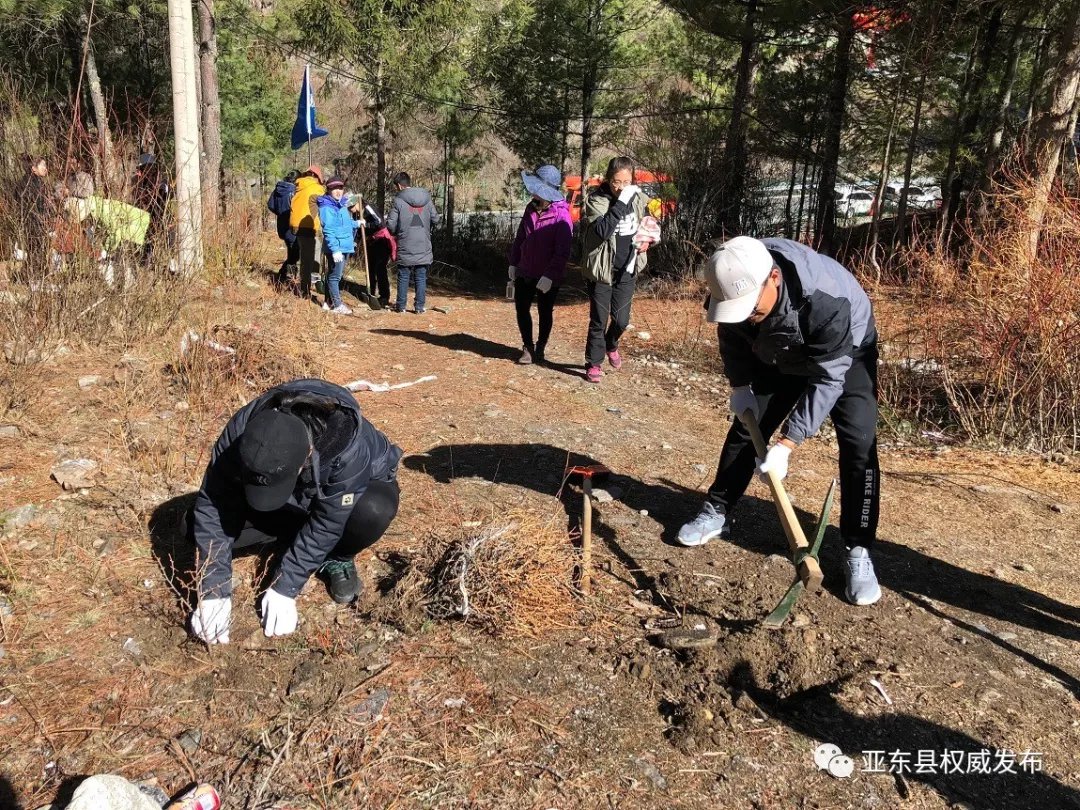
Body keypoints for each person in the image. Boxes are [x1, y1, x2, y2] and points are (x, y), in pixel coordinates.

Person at [676, 236, 882, 606]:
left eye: (750, 309)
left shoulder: (826, 301)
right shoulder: (733, 282)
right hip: (781, 347)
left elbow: (828, 379)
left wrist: (788, 443)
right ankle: (717, 511)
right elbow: (733, 336)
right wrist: (740, 386)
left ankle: (858, 548)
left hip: (845, 352)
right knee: (748, 423)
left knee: (860, 443)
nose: (745, 315)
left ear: (773, 277)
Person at [187, 379, 403, 643]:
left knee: (372, 511)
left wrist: (285, 588)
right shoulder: (244, 427)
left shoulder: (346, 445)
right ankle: (294, 535)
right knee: (193, 525)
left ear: (306, 456)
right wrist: (214, 591)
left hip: (361, 487)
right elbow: (214, 501)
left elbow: (328, 522)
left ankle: (337, 557)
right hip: (295, 494)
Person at [581, 156, 654, 383]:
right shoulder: (597, 200)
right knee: (598, 320)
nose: (621, 187)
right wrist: (622, 201)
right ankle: (593, 363)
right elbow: (602, 230)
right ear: (608, 179)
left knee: (621, 320)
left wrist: (648, 240)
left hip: (627, 268)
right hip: (602, 270)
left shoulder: (640, 198)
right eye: (616, 182)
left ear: (632, 180)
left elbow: (650, 224)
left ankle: (611, 344)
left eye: (626, 182)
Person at [507, 164, 572, 365]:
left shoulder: (562, 215)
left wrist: (550, 275)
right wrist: (513, 263)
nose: (532, 192)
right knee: (521, 307)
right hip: (525, 269)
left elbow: (562, 251)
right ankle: (528, 347)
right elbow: (520, 237)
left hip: (547, 274)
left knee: (545, 311)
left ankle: (541, 346)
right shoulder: (530, 207)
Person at [386, 171, 440, 314]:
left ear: (399, 185)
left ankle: (401, 305)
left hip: (406, 242)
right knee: (421, 275)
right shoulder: (427, 198)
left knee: (404, 275)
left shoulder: (398, 201)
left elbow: (391, 224)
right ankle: (419, 307)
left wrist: (397, 231)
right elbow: (436, 220)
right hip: (423, 242)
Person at [316, 177, 361, 315]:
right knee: (335, 277)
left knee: (334, 275)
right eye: (334, 189)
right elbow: (328, 230)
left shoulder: (340, 205)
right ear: (328, 190)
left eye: (340, 188)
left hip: (344, 245)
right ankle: (337, 304)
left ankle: (328, 302)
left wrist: (356, 223)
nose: (338, 191)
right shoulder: (326, 207)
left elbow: (344, 224)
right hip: (337, 247)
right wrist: (335, 250)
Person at [289, 165, 325, 301]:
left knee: (305, 257)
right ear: (317, 177)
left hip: (297, 226)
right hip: (308, 226)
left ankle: (307, 285)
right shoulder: (317, 188)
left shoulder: (298, 185)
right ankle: (305, 290)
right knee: (308, 260)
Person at [131, 153, 171, 260]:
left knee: (153, 240)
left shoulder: (156, 181)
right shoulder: (158, 180)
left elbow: (161, 201)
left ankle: (150, 258)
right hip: (157, 216)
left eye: (140, 169)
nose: (138, 172)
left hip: (153, 216)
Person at [360, 200, 395, 309]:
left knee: (380, 269)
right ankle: (370, 292)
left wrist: (366, 224)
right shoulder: (356, 213)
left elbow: (379, 222)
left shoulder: (368, 208)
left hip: (381, 241)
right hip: (370, 241)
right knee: (370, 268)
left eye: (351, 206)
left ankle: (384, 296)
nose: (350, 209)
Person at [268, 169, 299, 286]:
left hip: (281, 225)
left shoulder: (278, 189)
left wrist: (280, 213)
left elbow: (270, 205)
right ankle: (285, 277)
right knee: (295, 254)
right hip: (293, 225)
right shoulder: (294, 191)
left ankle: (285, 277)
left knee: (292, 252)